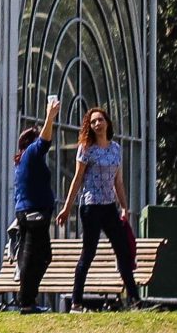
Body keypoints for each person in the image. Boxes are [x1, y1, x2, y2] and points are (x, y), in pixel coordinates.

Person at [57, 105, 142, 308]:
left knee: (122, 251)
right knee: (89, 253)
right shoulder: (86, 149)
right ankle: (76, 301)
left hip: (109, 206)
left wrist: (124, 206)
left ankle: (135, 299)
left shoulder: (115, 149)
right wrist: (67, 208)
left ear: (107, 122)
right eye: (93, 121)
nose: (97, 124)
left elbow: (118, 181)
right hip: (91, 206)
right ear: (90, 126)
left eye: (100, 120)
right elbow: (77, 179)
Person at [9, 93, 62, 312]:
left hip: (29, 213)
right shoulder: (31, 154)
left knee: (43, 256)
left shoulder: (22, 163)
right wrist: (50, 115)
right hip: (34, 215)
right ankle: (27, 303)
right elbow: (44, 141)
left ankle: (28, 298)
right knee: (32, 258)